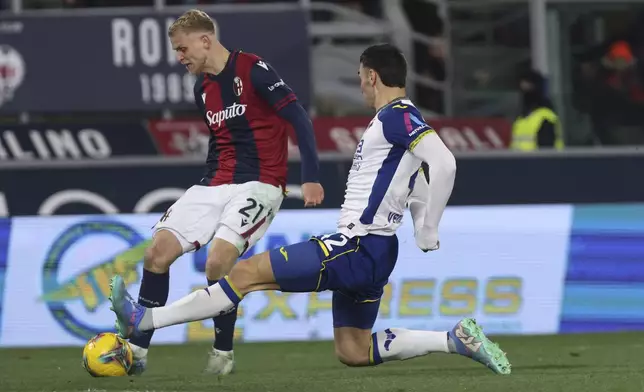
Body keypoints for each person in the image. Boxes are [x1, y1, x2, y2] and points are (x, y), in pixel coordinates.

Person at [110, 43, 511, 375]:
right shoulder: (397, 121)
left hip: (358, 245)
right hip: (376, 252)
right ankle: (454, 339)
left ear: (371, 75)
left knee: (245, 273)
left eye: (359, 76)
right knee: (353, 350)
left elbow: (444, 163)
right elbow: (420, 178)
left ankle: (144, 321)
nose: (359, 84)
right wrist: (421, 220)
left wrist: (428, 229)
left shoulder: (396, 117)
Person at [126, 9, 324, 376]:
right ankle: (135, 351)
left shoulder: (253, 68)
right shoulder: (202, 88)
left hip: (262, 182)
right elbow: (220, 143)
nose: (179, 57)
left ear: (205, 40)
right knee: (157, 253)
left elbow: (298, 117)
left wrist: (310, 176)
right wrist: (204, 192)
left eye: (182, 49)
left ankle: (222, 352)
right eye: (176, 51)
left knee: (218, 262)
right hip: (215, 181)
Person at [510, 70, 564, 151]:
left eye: (527, 87)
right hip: (521, 162)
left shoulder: (545, 116)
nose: (523, 91)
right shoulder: (522, 117)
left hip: (538, 163)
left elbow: (547, 152)